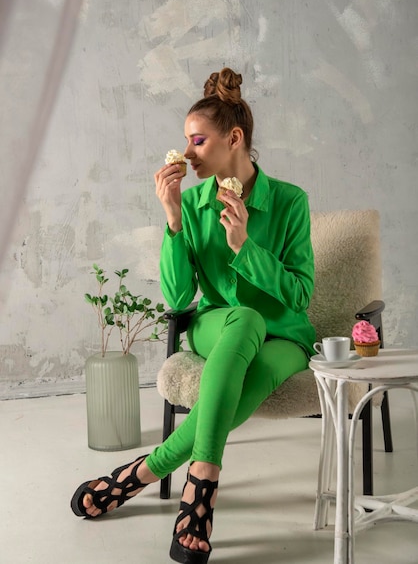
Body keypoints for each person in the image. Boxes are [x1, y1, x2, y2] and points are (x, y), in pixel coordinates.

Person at [70, 67, 316, 564]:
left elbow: (299, 296)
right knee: (243, 317)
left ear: (235, 138)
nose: (187, 153)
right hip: (216, 325)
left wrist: (245, 247)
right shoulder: (194, 202)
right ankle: (200, 492)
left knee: (251, 338)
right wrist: (174, 219)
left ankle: (138, 475)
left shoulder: (290, 202)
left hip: (284, 338)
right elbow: (180, 297)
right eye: (185, 141)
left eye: (198, 141)